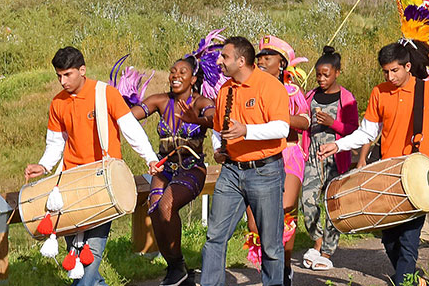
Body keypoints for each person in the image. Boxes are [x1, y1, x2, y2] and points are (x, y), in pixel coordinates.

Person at [317, 40, 429, 286]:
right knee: (390, 242)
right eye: (386, 72)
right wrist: (338, 145)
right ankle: (415, 281)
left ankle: (404, 281)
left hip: (419, 179)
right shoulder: (379, 92)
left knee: (409, 242)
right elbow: (367, 133)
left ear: (407, 66)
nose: (390, 77)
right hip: (387, 176)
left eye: (395, 70)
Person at [26, 47, 160, 286]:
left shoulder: (106, 94)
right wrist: (44, 166)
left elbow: (131, 129)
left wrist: (149, 157)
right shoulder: (57, 103)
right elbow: (55, 143)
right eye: (59, 76)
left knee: (92, 252)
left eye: (67, 75)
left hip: (104, 181)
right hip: (70, 182)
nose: (62, 81)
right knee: (75, 252)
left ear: (82, 70)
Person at [200, 36, 293, 286]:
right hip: (231, 171)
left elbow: (282, 128)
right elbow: (218, 128)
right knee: (215, 236)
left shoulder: (270, 86)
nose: (219, 61)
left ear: (241, 61)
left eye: (225, 57)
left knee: (270, 243)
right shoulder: (225, 89)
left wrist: (246, 131)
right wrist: (218, 149)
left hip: (265, 171)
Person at [127, 55, 215, 286]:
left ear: (193, 79)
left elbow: (215, 120)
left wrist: (196, 119)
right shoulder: (160, 100)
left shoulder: (202, 103)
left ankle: (178, 268)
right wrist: (115, 109)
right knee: (155, 210)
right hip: (164, 169)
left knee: (167, 206)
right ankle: (176, 268)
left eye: (182, 72)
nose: (175, 76)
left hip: (192, 169)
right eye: (172, 71)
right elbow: (127, 118)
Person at [247, 39, 310, 279]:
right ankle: (271, 264)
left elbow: (305, 122)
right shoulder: (250, 90)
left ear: (282, 63)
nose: (262, 61)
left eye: (268, 57)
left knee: (284, 211)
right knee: (254, 224)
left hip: (289, 155)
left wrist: (280, 117)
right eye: (260, 57)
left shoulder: (292, 92)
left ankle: (284, 268)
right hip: (257, 158)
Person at [296, 47, 358, 273]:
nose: (321, 79)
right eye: (318, 75)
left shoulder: (346, 98)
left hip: (336, 158)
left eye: (326, 75)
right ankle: (318, 240)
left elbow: (354, 130)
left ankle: (327, 252)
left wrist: (333, 124)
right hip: (313, 156)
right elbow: (303, 124)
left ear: (337, 73)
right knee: (307, 200)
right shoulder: (310, 96)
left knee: (332, 204)